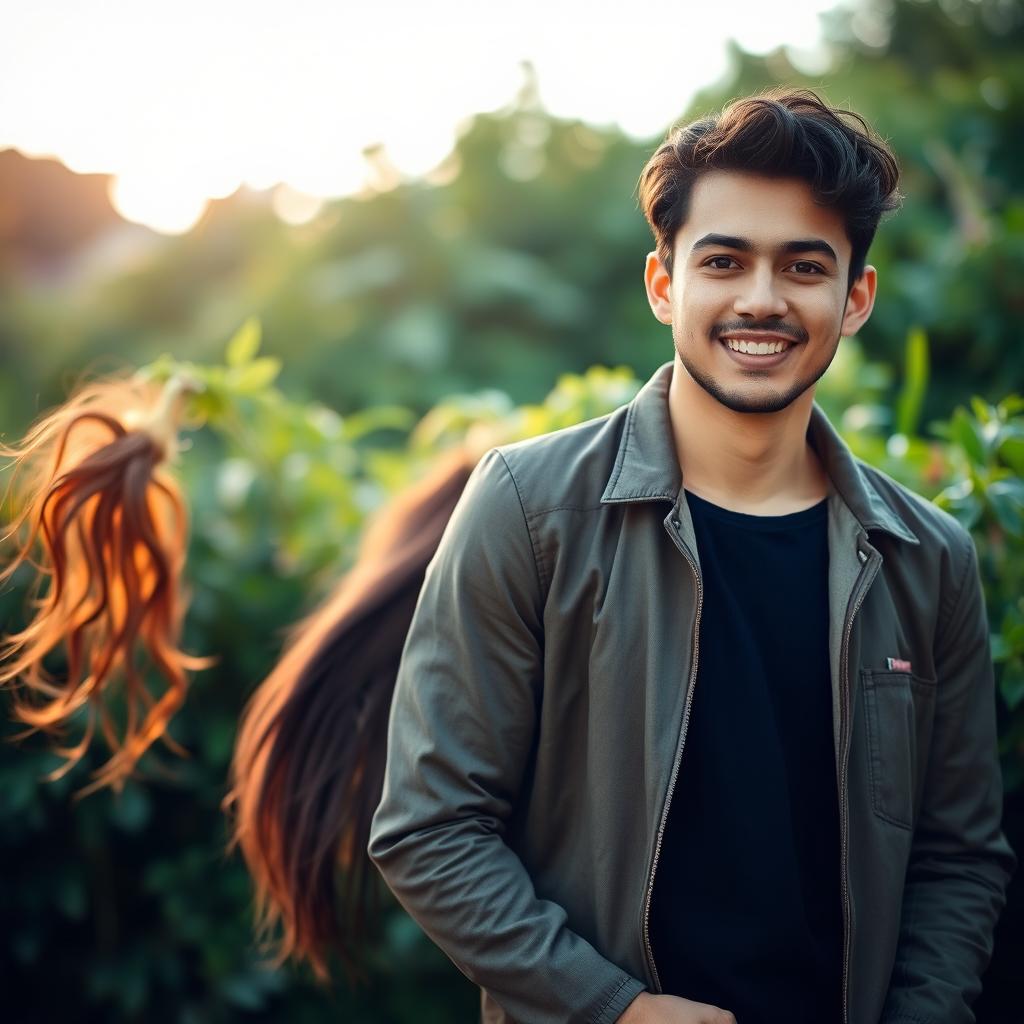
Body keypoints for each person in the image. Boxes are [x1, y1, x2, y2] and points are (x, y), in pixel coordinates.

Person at [366, 88, 1018, 1024]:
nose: (762, 298)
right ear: (664, 284)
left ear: (856, 296)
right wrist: (613, 1009)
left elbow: (958, 857)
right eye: (724, 261)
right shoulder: (528, 508)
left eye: (804, 265)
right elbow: (430, 828)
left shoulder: (927, 557)